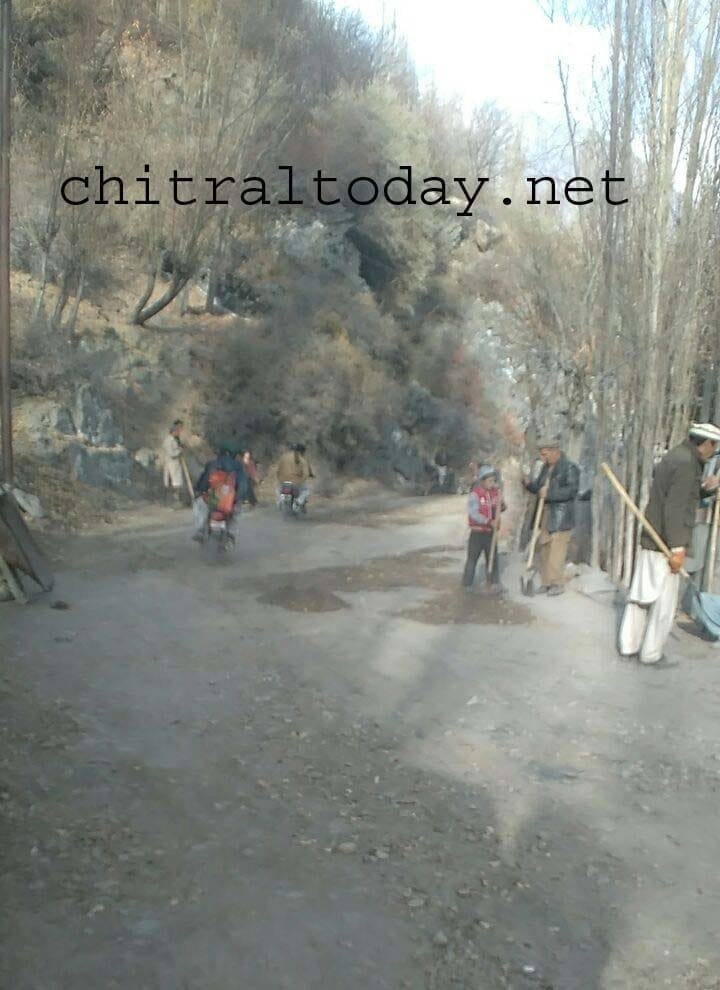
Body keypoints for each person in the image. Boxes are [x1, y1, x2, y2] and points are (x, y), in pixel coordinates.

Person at [618, 423, 720, 666]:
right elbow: (675, 509)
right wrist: (677, 549)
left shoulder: (677, 455)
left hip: (653, 539)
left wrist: (706, 491)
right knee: (663, 603)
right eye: (713, 448)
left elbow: (682, 496)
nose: (712, 453)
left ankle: (628, 646)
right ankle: (651, 654)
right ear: (705, 443)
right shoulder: (687, 465)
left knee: (641, 596)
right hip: (666, 543)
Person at [522, 437, 580, 596]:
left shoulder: (570, 468)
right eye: (541, 455)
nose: (543, 458)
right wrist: (529, 485)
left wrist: (550, 494)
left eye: (545, 454)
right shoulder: (546, 469)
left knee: (557, 549)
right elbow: (539, 489)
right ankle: (546, 582)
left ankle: (556, 583)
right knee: (545, 547)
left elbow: (571, 491)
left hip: (561, 516)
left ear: (556, 451)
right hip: (545, 514)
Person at [192, 442, 250, 544]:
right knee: (236, 514)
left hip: (213, 499)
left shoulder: (212, 464)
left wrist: (199, 491)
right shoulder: (238, 466)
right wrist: (238, 498)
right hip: (230, 501)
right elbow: (243, 485)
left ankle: (200, 530)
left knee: (199, 506)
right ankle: (231, 533)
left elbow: (203, 482)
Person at [462, 465, 505, 588]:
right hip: (477, 533)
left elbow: (500, 508)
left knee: (492, 559)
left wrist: (501, 505)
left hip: (490, 533)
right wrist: (488, 521)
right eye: (489, 481)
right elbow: (473, 513)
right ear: (482, 481)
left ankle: (494, 582)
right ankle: (467, 584)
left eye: (493, 480)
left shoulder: (495, 493)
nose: (492, 483)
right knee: (472, 560)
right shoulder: (475, 495)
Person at [276, 442, 314, 512]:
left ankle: (280, 501)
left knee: (278, 489)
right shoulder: (303, 459)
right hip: (296, 483)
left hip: (284, 481)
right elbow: (306, 473)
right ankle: (299, 501)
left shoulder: (284, 457)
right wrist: (302, 480)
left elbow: (278, 470)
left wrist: (280, 479)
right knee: (306, 491)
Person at [162, 420, 185, 505]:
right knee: (174, 482)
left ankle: (175, 499)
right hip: (171, 463)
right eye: (177, 431)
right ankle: (173, 500)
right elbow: (172, 453)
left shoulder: (174, 440)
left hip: (175, 463)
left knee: (176, 482)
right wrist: (180, 450)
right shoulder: (168, 441)